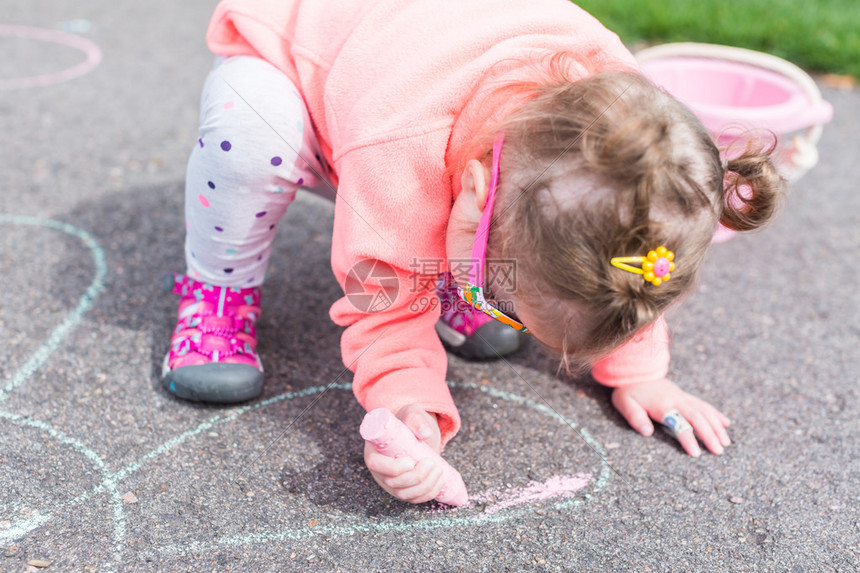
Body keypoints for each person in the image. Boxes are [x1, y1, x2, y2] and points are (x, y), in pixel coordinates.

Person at [161, 0, 782, 504]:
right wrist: (407, 401)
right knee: (249, 132)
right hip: (296, 64)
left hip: (425, 84)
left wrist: (642, 371)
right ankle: (218, 287)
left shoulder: (636, 143)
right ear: (474, 192)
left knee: (507, 247)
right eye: (500, 296)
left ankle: (462, 278)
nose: (512, 318)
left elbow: (624, 255)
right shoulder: (397, 150)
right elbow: (383, 299)